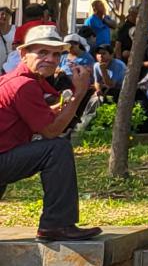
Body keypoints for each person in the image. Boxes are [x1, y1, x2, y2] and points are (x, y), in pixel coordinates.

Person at [0, 28, 98, 240]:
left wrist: (64, 105)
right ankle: (57, 224)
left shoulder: (21, 80)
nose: (51, 59)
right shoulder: (24, 85)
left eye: (56, 54)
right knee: (57, 149)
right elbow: (51, 132)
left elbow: (38, 117)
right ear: (24, 54)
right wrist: (80, 94)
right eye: (42, 52)